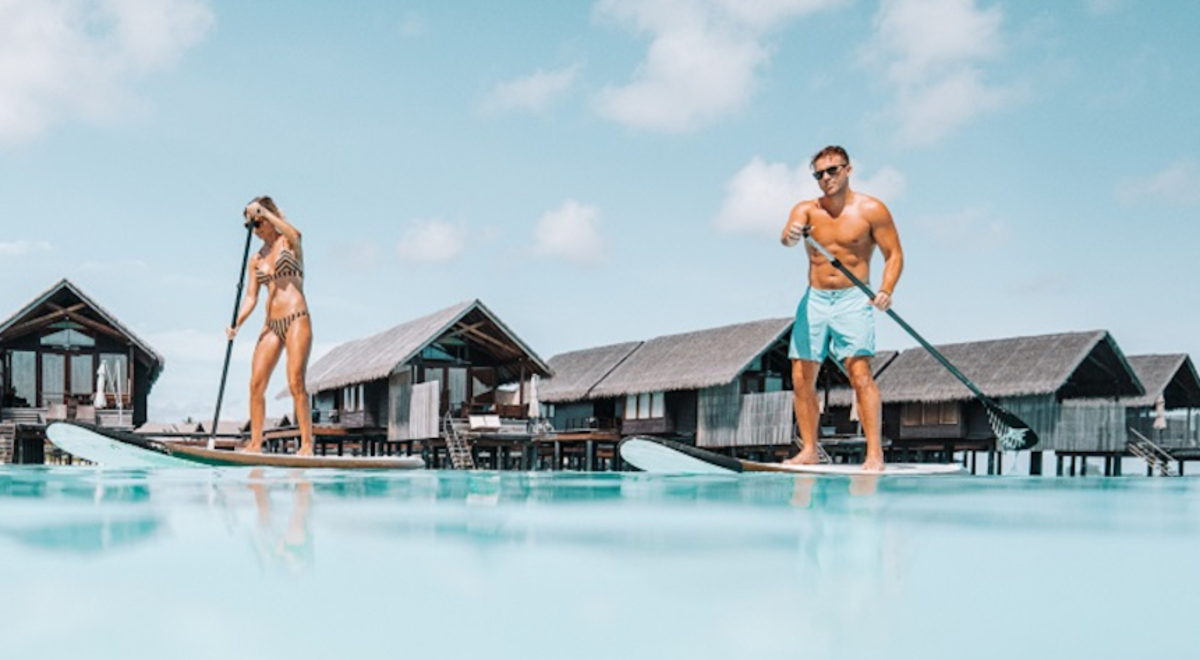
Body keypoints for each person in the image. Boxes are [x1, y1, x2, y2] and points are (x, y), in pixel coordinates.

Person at [780, 146, 903, 471]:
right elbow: (788, 236)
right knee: (801, 376)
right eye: (819, 174)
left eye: (832, 171)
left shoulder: (872, 210)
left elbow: (895, 255)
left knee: (860, 373)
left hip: (853, 299)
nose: (825, 179)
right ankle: (808, 449)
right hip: (816, 299)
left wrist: (886, 290)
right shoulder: (807, 210)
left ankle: (874, 454)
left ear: (848, 170)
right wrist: (792, 236)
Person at [226, 197, 315, 456]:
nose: (255, 229)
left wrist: (265, 210)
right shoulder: (256, 259)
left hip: (297, 317)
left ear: (268, 217)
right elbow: (251, 296)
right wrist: (236, 324)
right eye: (251, 225)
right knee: (256, 384)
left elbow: (296, 233)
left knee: (296, 382)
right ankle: (255, 443)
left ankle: (307, 443)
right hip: (271, 324)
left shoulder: (288, 242)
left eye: (258, 221)